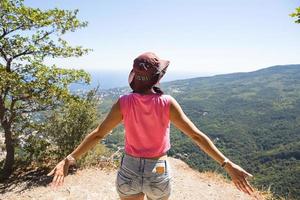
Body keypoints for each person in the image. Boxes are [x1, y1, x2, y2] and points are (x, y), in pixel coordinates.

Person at [48, 52, 254, 200]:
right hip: (158, 167)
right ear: (158, 76)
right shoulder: (167, 103)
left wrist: (70, 158)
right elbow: (196, 136)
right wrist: (227, 164)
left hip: (129, 168)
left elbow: (98, 134)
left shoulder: (124, 102)